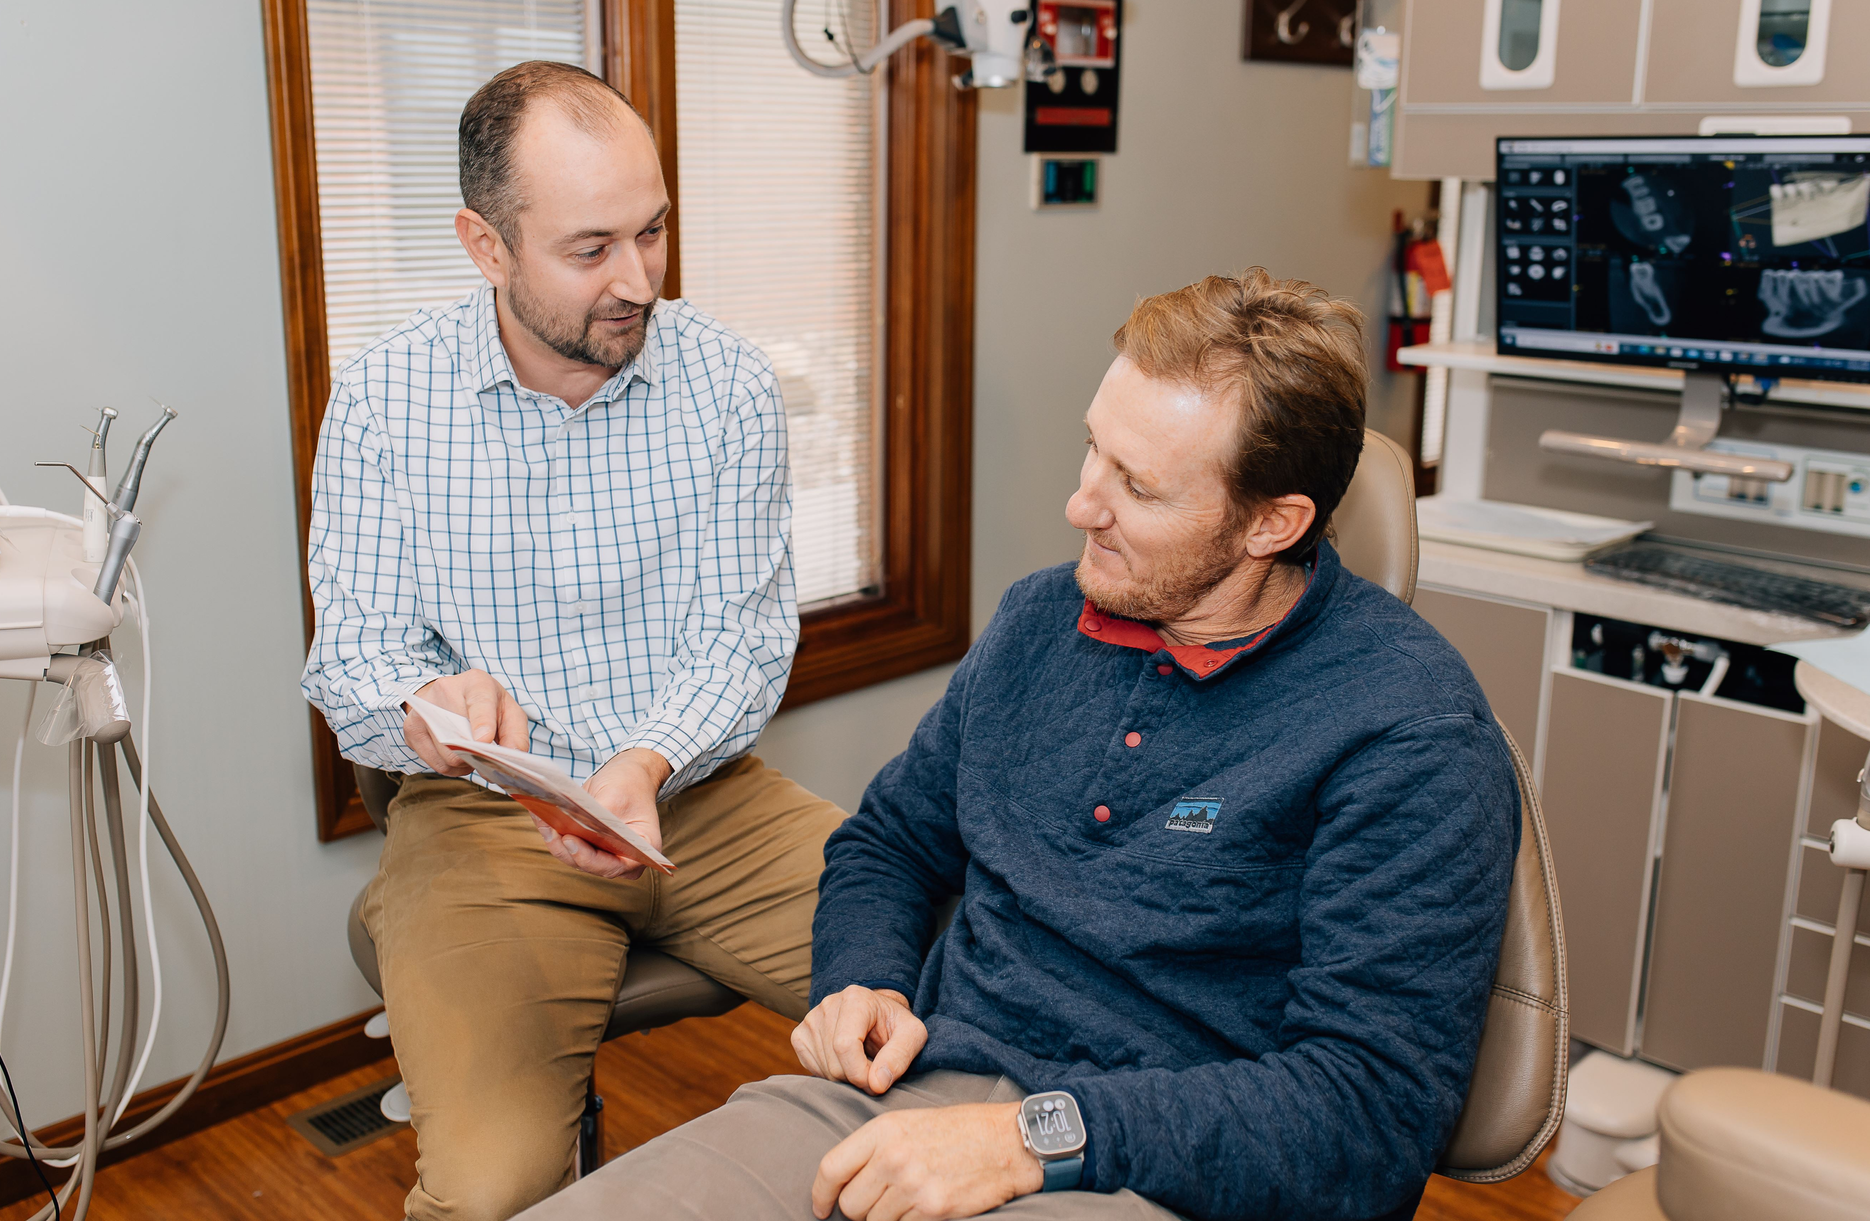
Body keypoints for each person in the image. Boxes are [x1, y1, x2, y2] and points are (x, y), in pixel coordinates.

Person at [516, 269, 1520, 1221]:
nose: (1083, 503)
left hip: (1162, 1173)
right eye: (1094, 449)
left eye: (1140, 486)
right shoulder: (1043, 619)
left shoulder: (1408, 730)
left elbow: (1368, 1115)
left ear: (1272, 522)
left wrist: (1029, 1136)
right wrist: (859, 981)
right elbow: (891, 842)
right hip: (916, 1095)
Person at [300, 60, 846, 1221]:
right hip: (488, 826)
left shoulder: (728, 383)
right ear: (486, 245)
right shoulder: (387, 398)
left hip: (704, 798)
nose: (640, 279)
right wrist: (426, 701)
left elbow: (745, 637)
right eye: (592, 248)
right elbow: (348, 653)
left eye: (652, 231)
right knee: (492, 1191)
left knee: (979, 985)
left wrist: (642, 764)